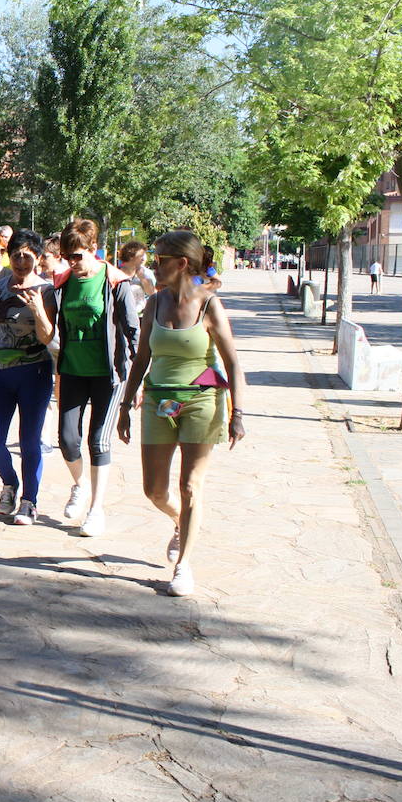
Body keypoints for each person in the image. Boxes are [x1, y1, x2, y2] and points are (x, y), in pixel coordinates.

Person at [117, 230, 247, 596]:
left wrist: (238, 413)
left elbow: (232, 361)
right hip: (159, 400)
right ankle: (179, 521)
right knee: (154, 490)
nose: (153, 266)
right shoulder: (155, 303)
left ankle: (183, 566)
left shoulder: (209, 305)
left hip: (202, 400)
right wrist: (126, 406)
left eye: (160, 261)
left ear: (182, 264)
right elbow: (142, 357)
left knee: (190, 486)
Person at [52, 218, 140, 536]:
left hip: (109, 374)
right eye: (67, 256)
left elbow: (133, 332)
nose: (72, 262)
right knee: (67, 440)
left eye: (77, 255)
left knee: (98, 440)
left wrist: (135, 380)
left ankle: (96, 510)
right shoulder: (62, 282)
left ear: (93, 250)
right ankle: (80, 485)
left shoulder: (116, 283)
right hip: (73, 371)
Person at [0, 229, 58, 524]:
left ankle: (29, 501)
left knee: (29, 441)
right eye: (16, 255)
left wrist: (37, 309)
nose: (21, 261)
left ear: (37, 258)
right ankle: (10, 483)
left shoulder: (47, 291)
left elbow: (49, 338)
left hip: (35, 372)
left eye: (27, 256)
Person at [117, 240, 158, 315]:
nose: (144, 258)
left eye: (145, 255)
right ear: (130, 256)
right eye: (141, 255)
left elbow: (153, 294)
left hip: (140, 316)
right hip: (119, 316)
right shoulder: (116, 273)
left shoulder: (147, 273)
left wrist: (143, 278)